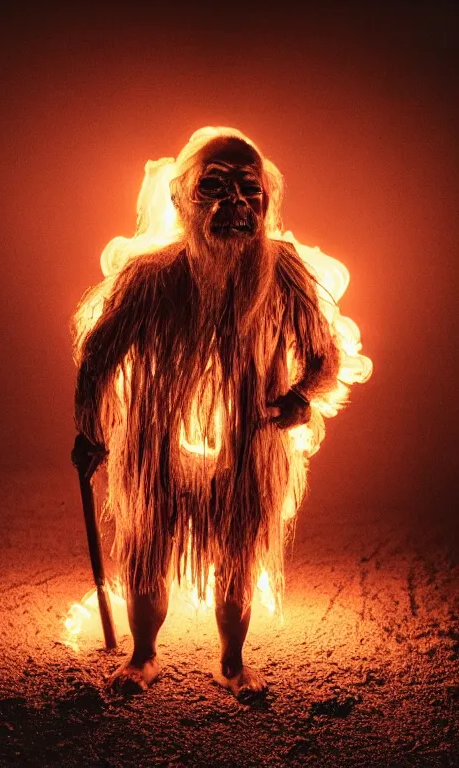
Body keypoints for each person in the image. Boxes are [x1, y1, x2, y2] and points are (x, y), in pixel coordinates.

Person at [72, 127, 371, 699]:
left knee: (237, 555)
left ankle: (232, 662)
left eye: (248, 189)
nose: (235, 205)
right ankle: (143, 655)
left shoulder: (283, 272)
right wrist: (92, 429)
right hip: (157, 444)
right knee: (148, 552)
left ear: (267, 199)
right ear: (183, 201)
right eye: (214, 188)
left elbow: (325, 356)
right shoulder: (149, 278)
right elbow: (98, 359)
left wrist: (303, 397)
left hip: (247, 442)